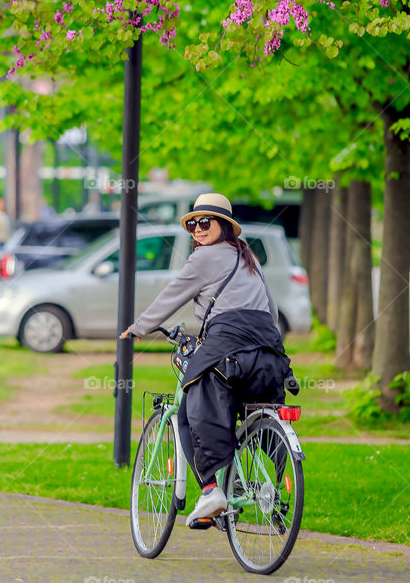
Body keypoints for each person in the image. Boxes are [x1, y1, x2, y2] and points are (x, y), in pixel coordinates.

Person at [119, 193, 294, 528]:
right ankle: (245, 484)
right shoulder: (248, 258)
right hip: (269, 352)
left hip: (229, 345)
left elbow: (172, 295)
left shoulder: (204, 258)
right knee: (237, 408)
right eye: (193, 225)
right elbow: (270, 310)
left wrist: (139, 327)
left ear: (224, 226)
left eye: (205, 222)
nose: (197, 230)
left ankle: (211, 489)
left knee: (189, 408)